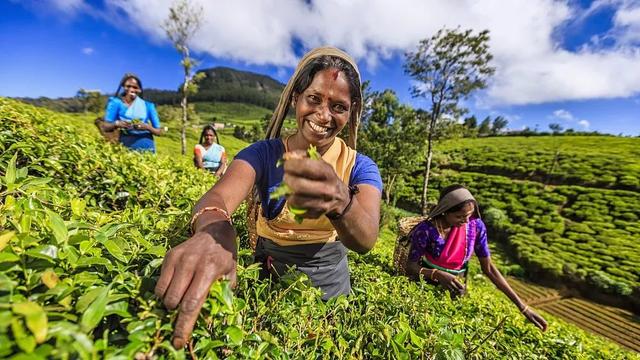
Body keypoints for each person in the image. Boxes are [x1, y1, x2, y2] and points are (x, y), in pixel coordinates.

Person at [155, 47, 383, 348]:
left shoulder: (360, 167)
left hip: (330, 288)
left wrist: (341, 200)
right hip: (269, 275)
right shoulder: (263, 154)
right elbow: (218, 197)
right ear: (295, 99)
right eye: (313, 99)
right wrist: (216, 234)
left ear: (351, 110)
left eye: (338, 107)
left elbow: (366, 239)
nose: (323, 115)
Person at [406, 184, 548, 331]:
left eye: (469, 215)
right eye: (459, 216)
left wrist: (523, 307)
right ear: (444, 212)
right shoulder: (427, 230)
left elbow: (490, 269)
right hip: (422, 289)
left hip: (455, 292)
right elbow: (410, 266)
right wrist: (437, 274)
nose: (466, 221)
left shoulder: (475, 227)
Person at [102, 73, 163, 152]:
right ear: (123, 87)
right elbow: (105, 127)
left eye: (135, 87)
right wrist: (117, 124)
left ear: (139, 90)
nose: (131, 89)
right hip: (125, 145)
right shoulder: (116, 103)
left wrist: (148, 127)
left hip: (147, 147)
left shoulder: (148, 106)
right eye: (128, 86)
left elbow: (159, 131)